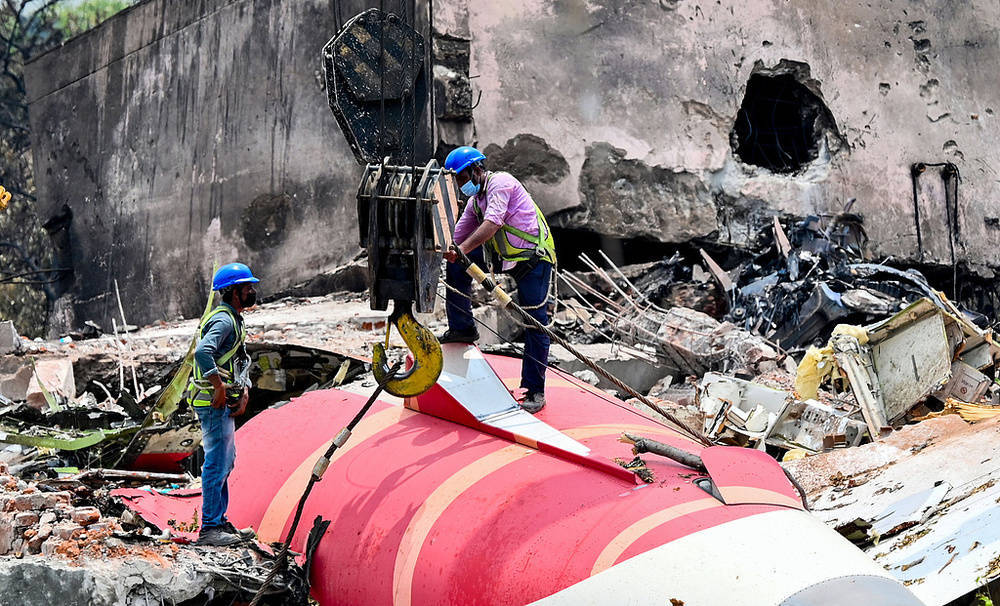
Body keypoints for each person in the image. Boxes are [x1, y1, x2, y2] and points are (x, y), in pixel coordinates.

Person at [441, 146, 556, 414]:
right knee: (457, 266)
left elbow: (493, 223)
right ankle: (463, 327)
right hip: (507, 259)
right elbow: (457, 240)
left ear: (475, 169)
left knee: (535, 323)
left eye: (460, 178)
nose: (460, 184)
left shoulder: (501, 183)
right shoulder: (474, 202)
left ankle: (535, 390)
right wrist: (443, 249)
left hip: (533, 261)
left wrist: (459, 250)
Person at [188, 262, 259, 546]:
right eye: (246, 287)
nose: (251, 291)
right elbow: (203, 352)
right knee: (216, 463)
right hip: (212, 404)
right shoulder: (225, 321)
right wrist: (219, 387)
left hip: (221, 404)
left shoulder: (233, 318)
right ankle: (209, 529)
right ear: (231, 292)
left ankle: (219, 521)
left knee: (225, 462)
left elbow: (236, 360)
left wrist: (242, 392)